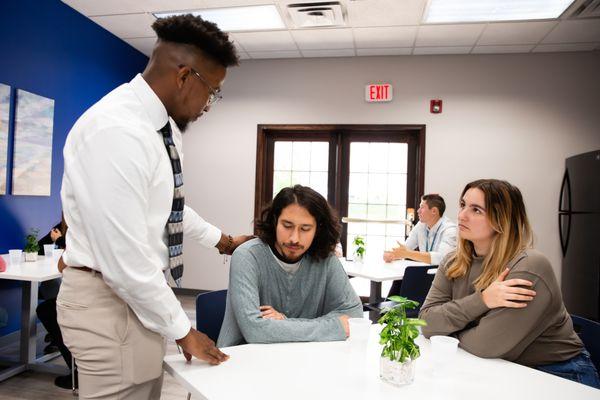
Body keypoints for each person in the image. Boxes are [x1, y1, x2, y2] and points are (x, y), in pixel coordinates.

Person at [57, 14, 251, 399]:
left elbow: (169, 207)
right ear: (183, 77)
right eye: (212, 92)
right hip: (108, 301)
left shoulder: (161, 129)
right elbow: (124, 258)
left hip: (135, 296)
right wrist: (182, 329)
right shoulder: (116, 132)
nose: (209, 106)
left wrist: (222, 240)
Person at [419, 179, 600, 388]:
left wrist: (446, 330)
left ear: (502, 220)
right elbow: (426, 323)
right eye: (462, 205)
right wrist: (483, 299)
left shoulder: (529, 267)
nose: (461, 215)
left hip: (558, 374)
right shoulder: (453, 261)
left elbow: (485, 345)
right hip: (494, 366)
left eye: (476, 210)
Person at [217, 185, 363, 347]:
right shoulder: (247, 256)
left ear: (318, 229)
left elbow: (354, 316)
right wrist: (335, 327)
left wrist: (285, 322)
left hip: (302, 359)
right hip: (241, 360)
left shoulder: (326, 259)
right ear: (274, 221)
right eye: (287, 226)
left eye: (305, 229)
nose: (294, 238)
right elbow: (255, 331)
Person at [383, 194, 456, 265]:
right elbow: (406, 247)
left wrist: (408, 253)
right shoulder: (421, 225)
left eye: (422, 207)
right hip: (425, 273)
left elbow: (442, 258)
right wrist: (392, 255)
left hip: (443, 275)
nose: (418, 211)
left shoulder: (450, 230)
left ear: (434, 211)